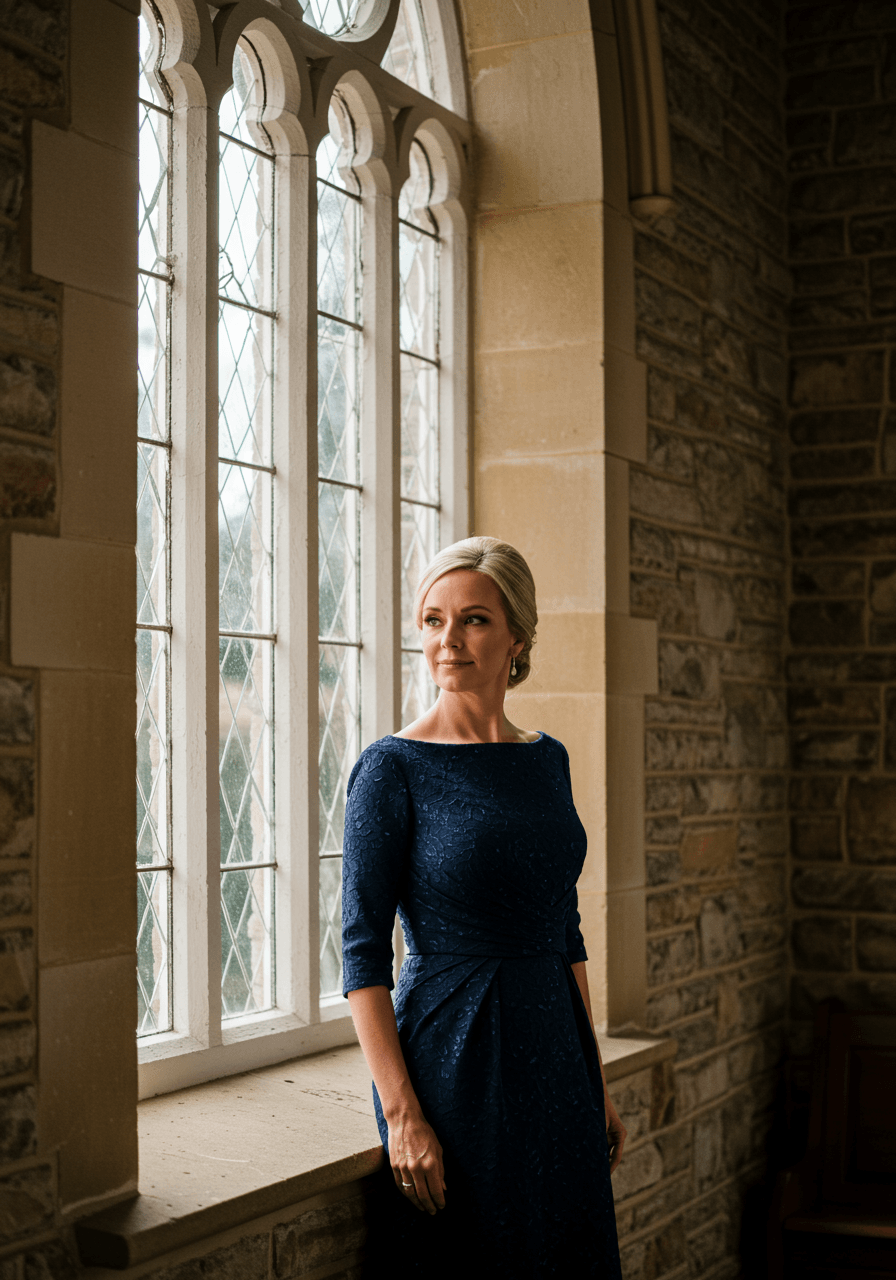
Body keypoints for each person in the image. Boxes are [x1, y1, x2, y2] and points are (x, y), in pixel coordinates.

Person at [341, 536, 625, 1277]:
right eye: (433, 620)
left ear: (517, 638)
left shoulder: (547, 758)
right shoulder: (390, 768)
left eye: (472, 620)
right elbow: (362, 953)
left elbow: (565, 929)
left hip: (558, 1059)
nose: (448, 640)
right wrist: (402, 1115)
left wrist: (595, 1081)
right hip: (453, 1060)